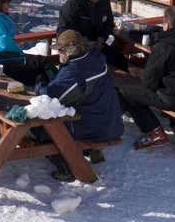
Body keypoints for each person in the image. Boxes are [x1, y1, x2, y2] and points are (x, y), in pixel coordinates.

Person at [34, 29, 124, 181]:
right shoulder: (94, 57)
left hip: (95, 125)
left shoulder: (76, 69)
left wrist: (38, 86)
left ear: (70, 50)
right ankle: (92, 149)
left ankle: (67, 168)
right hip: (109, 120)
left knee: (37, 129)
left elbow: (53, 96)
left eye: (61, 50)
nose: (59, 54)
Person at [117, 7, 175, 149]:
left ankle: (154, 131)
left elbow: (149, 81)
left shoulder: (164, 46)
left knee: (125, 91)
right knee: (174, 85)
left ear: (166, 26)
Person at [58, 0, 128, 71]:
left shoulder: (104, 3)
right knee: (89, 68)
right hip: (76, 51)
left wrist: (102, 38)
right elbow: (64, 33)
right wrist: (86, 43)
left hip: (97, 46)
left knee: (120, 61)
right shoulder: (71, 6)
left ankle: (120, 85)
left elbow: (109, 24)